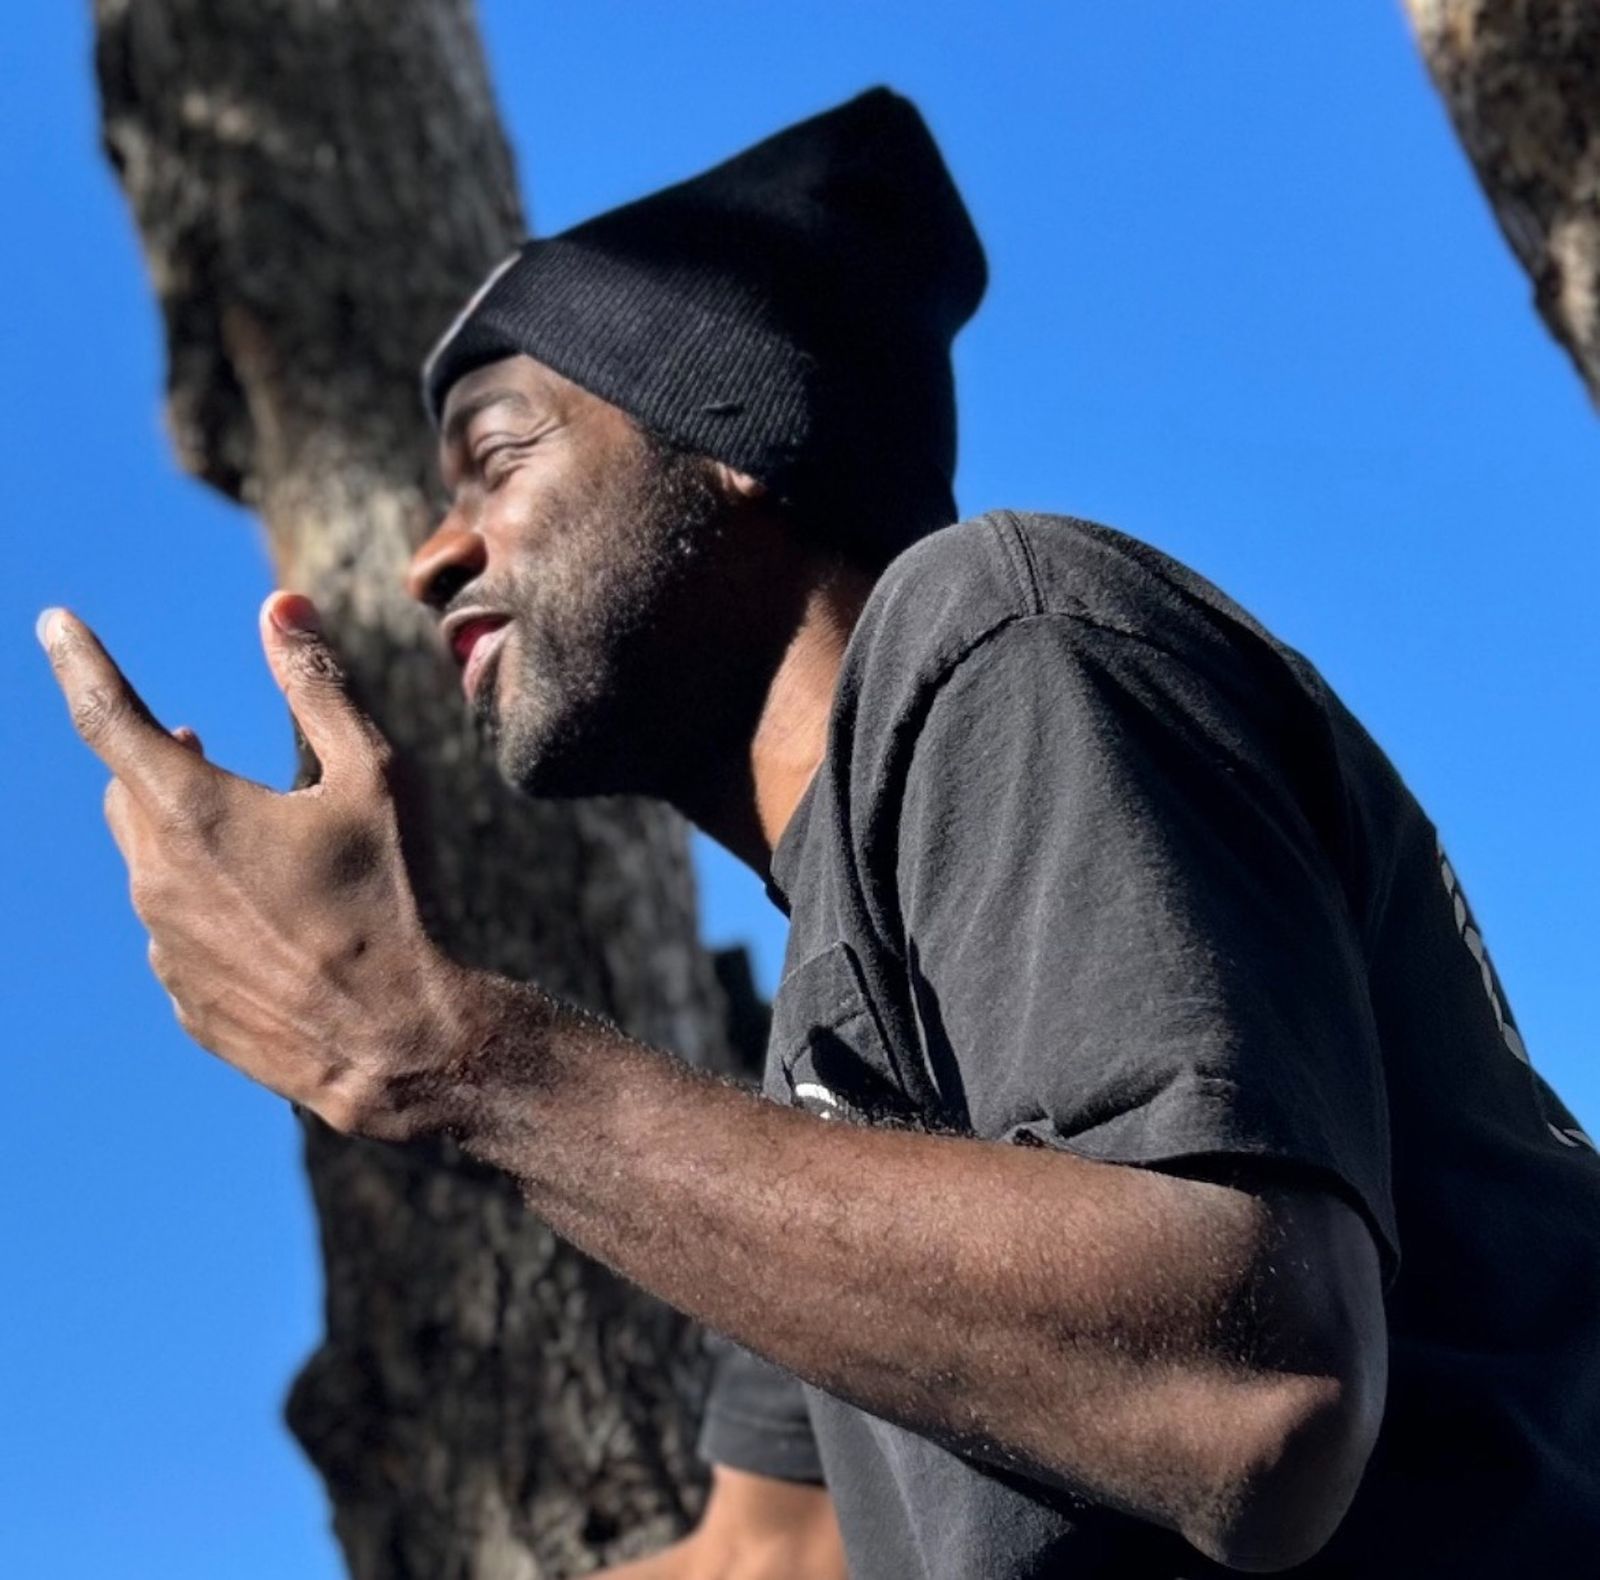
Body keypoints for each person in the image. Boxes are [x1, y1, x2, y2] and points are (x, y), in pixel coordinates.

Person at [40, 89, 1600, 1578]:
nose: (430, 558)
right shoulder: (825, 1047)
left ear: (735, 425)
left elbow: (1254, 1387)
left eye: (499, 456)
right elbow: (766, 1556)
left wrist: (440, 1048)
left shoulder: (1001, 630)